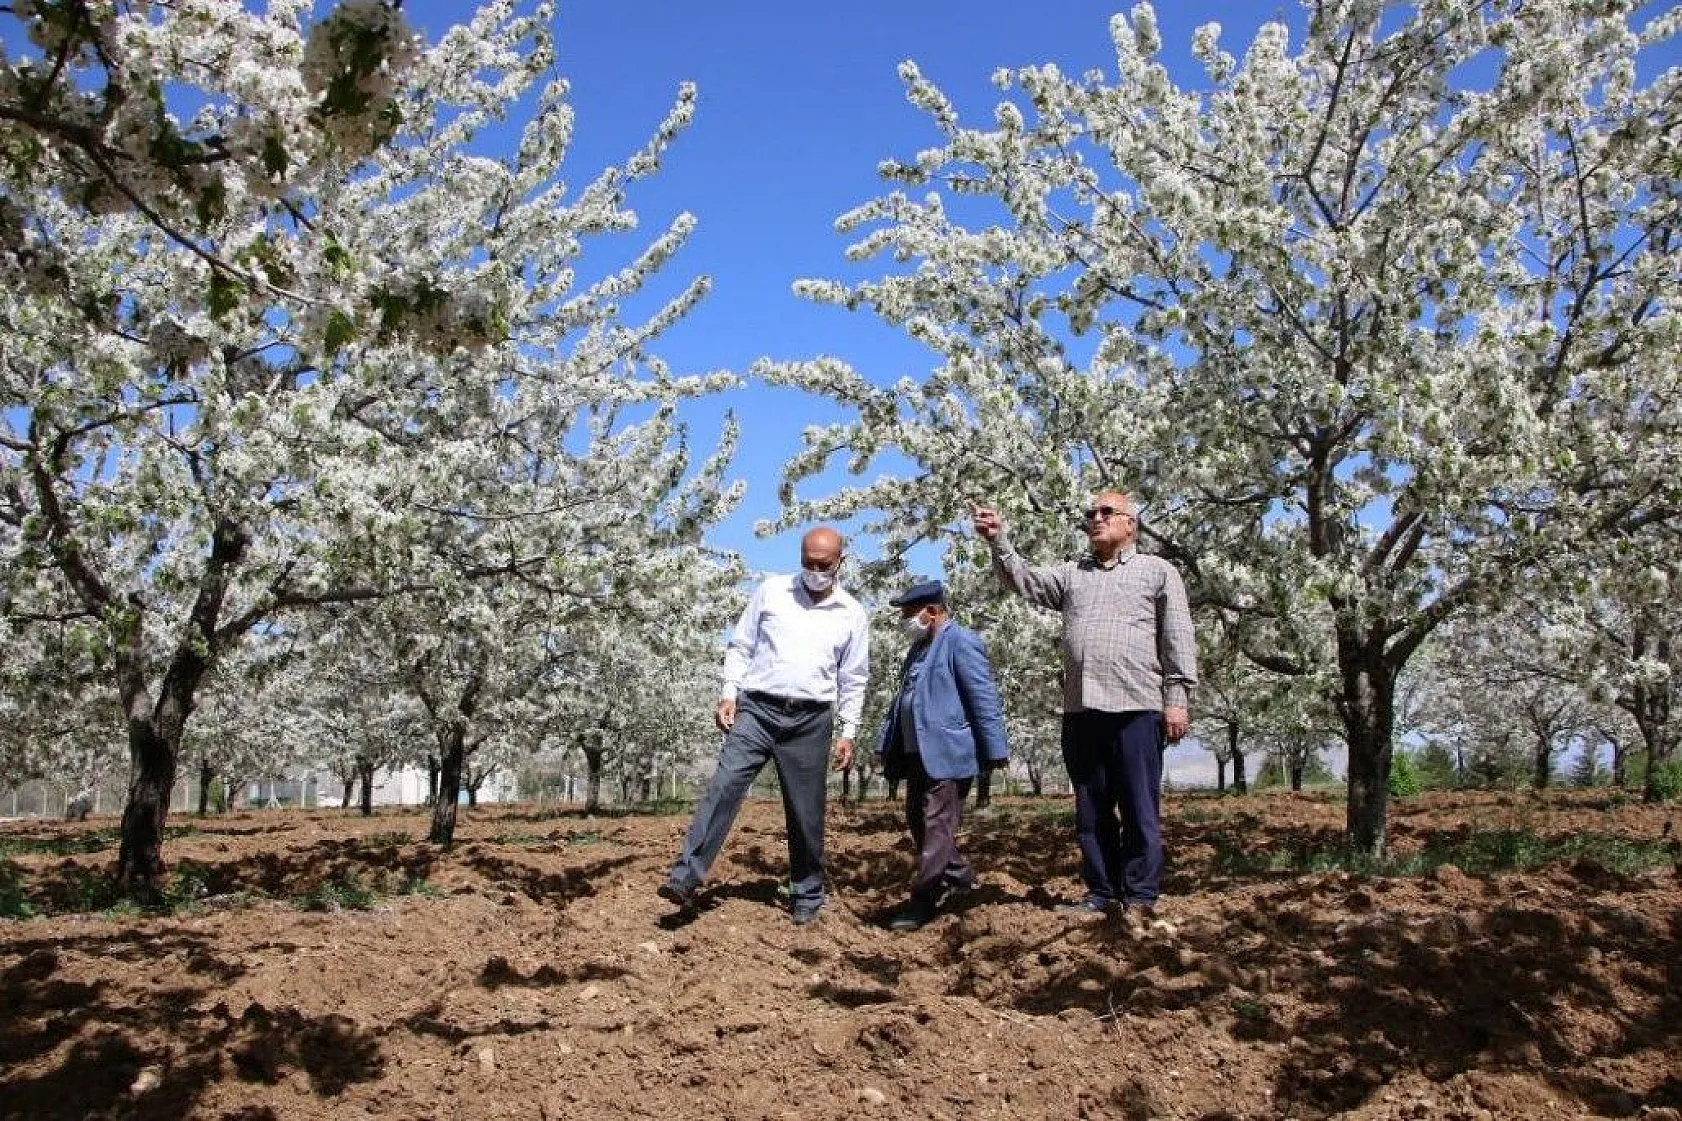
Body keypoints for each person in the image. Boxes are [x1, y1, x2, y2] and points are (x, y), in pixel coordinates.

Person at [972, 492, 1196, 919]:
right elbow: (1024, 581)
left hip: (1137, 706)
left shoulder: (1157, 572)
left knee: (1139, 807)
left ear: (1131, 524)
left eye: (1106, 512)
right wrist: (998, 541)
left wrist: (1177, 701)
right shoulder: (1074, 574)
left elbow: (1177, 638)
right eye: (1090, 513)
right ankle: (1102, 892)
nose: (1095, 518)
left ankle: (1141, 895)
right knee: (1091, 810)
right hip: (1082, 709)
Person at [660, 526, 869, 925]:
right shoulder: (772, 592)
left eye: (823, 565)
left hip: (811, 719)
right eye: (807, 563)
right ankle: (685, 876)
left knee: (806, 811)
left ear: (841, 562)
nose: (814, 571)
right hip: (757, 709)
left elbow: (853, 677)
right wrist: (729, 692)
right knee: (724, 786)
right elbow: (741, 645)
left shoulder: (852, 614)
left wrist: (848, 731)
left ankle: (808, 892)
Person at [875, 580, 1009, 931]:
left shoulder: (960, 642)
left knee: (936, 826)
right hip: (916, 752)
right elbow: (901, 700)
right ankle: (962, 880)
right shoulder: (918, 648)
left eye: (908, 613)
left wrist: (994, 748)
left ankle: (923, 900)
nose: (904, 620)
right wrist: (883, 741)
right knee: (918, 821)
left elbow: (983, 696)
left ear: (931, 611)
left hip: (949, 751)